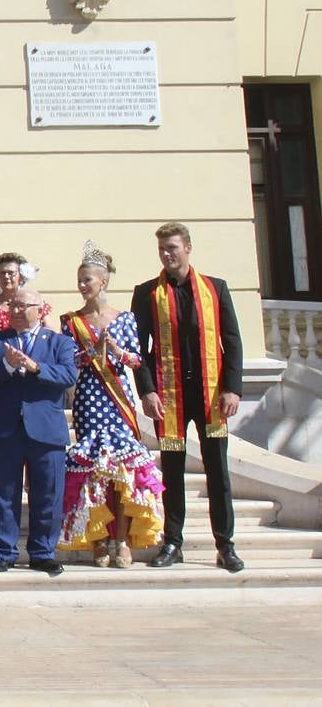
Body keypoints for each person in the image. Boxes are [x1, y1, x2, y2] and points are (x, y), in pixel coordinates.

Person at [132, 222, 244, 572]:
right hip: (170, 397)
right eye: (163, 249)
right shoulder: (148, 293)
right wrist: (147, 389)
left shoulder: (215, 289)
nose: (167, 254)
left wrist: (233, 388)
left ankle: (225, 545)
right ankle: (173, 541)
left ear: (188, 248)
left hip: (210, 396)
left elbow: (233, 340)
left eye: (173, 248)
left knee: (218, 471)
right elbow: (140, 349)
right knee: (173, 471)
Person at [59, 242, 165, 568]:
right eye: (79, 280)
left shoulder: (125, 319)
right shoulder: (72, 321)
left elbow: (137, 360)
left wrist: (116, 351)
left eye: (87, 280)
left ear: (102, 282)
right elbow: (70, 362)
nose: (82, 286)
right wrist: (92, 352)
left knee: (121, 473)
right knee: (95, 473)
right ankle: (99, 539)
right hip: (89, 399)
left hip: (118, 400)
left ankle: (122, 538)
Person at [0, 287, 78, 576]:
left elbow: (69, 375)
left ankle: (43, 552)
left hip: (46, 430)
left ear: (40, 308)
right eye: (13, 306)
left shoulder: (59, 343)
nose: (17, 311)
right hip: (7, 428)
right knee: (5, 493)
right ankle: (4, 551)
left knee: (48, 493)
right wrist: (7, 366)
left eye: (23, 306)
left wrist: (36, 368)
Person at [0, 252, 56, 335]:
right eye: (3, 273)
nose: (6, 276)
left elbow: (50, 332)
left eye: (11, 273)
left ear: (21, 275)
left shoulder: (34, 302)